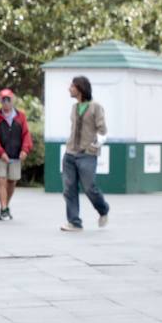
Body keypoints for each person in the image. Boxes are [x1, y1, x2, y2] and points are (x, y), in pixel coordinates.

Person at [62, 75, 110, 233]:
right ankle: (74, 222)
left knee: (89, 187)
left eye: (72, 86)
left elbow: (102, 131)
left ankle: (103, 210)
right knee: (69, 189)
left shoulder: (95, 107)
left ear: (80, 88)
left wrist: (93, 147)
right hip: (70, 154)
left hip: (87, 155)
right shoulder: (74, 107)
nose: (69, 89)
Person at [0, 88, 33, 221]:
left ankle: (6, 205)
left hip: (15, 154)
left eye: (8, 99)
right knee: (1, 180)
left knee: (12, 181)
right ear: (0, 101)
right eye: (3, 100)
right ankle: (3, 208)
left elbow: (26, 135)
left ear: (12, 100)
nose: (6, 102)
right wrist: (0, 152)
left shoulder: (21, 116)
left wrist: (25, 150)